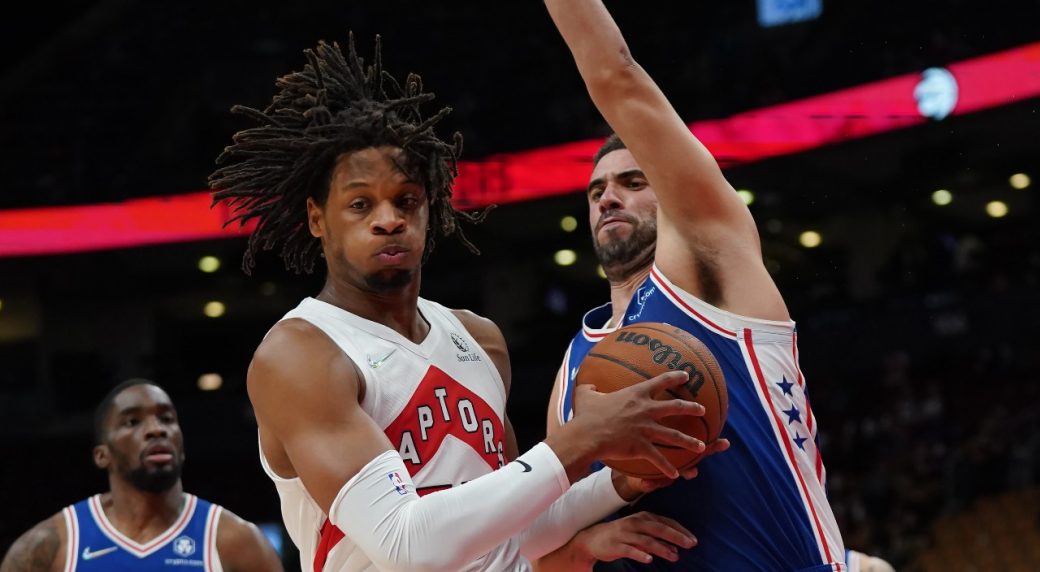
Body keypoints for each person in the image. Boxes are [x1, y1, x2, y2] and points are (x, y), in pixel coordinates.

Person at [208, 35, 714, 572]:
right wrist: (580, 442)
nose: (387, 219)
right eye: (360, 204)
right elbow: (409, 549)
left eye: (406, 200)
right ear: (317, 219)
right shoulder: (300, 354)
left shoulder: (480, 340)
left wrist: (618, 482)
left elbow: (511, 531)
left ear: (431, 212)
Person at [542, 1, 848, 570]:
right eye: (596, 191)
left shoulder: (712, 259)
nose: (609, 197)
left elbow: (617, 77)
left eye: (633, 182)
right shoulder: (571, 367)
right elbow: (539, 542)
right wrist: (582, 546)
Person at [0, 379, 283, 572]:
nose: (156, 430)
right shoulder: (49, 546)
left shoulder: (237, 541)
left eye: (167, 419)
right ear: (102, 455)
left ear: (182, 446)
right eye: (132, 422)